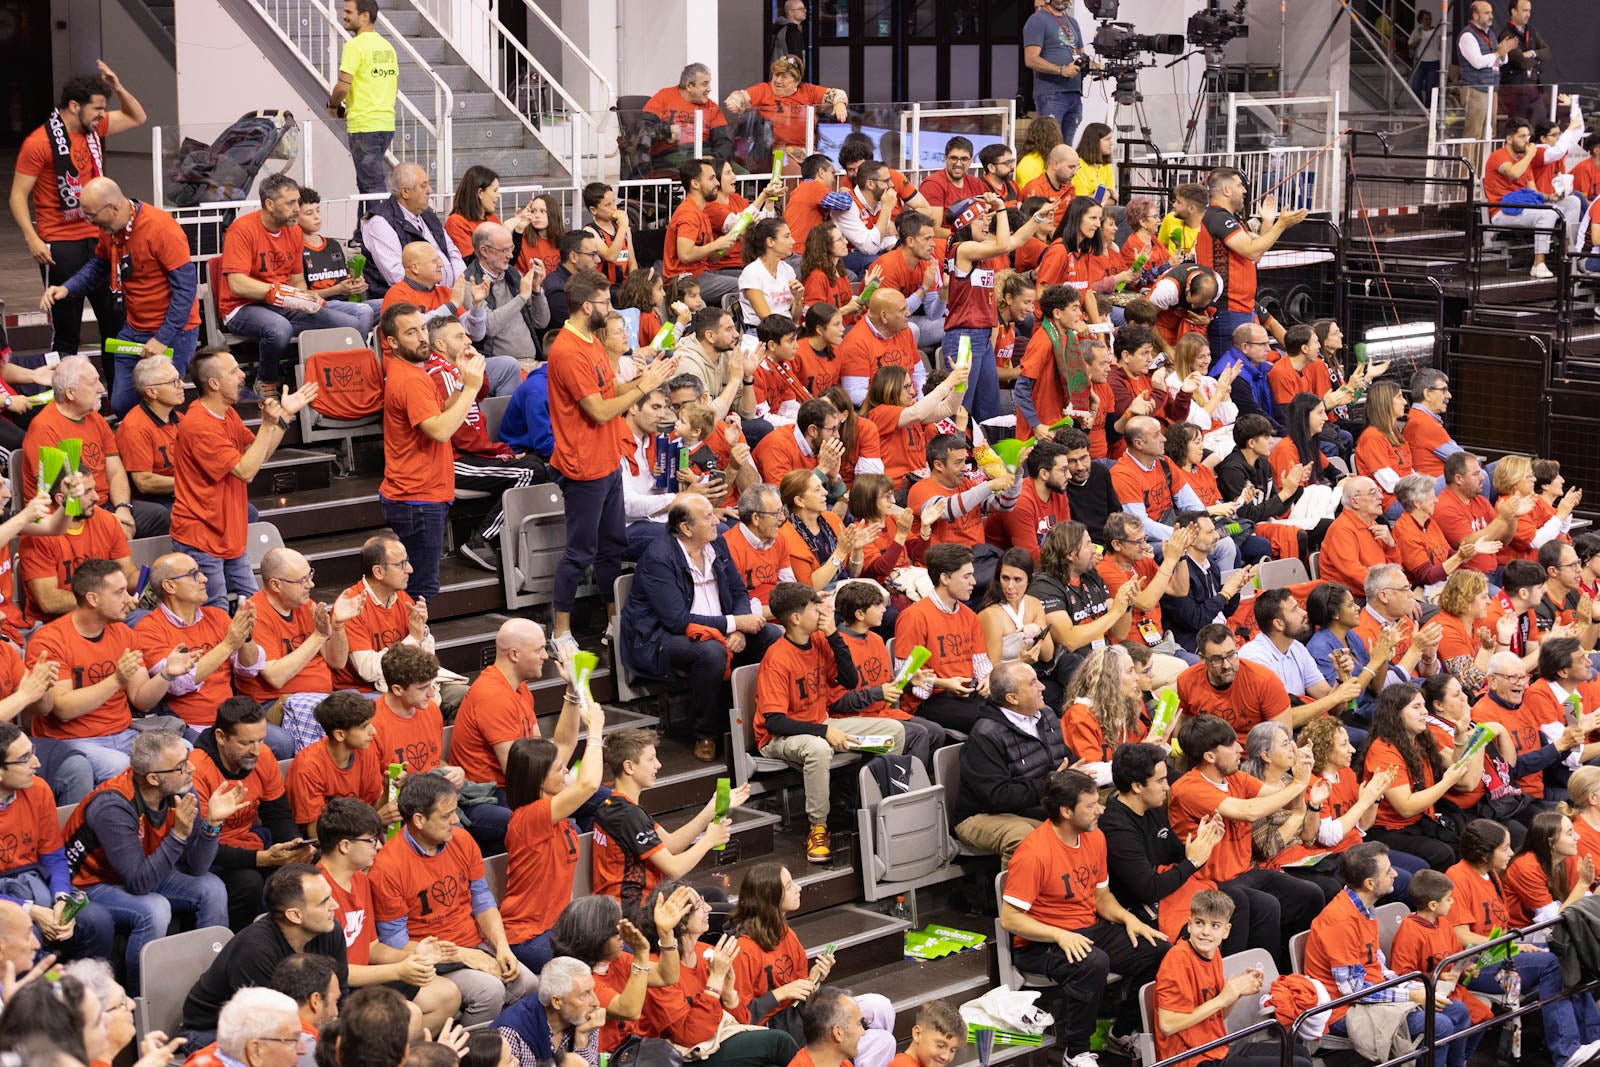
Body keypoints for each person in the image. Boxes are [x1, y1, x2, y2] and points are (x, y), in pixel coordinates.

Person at [999, 768, 1168, 1066]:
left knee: (1158, 950)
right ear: (1066, 811)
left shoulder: (1095, 837)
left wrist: (1127, 919)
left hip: (1087, 928)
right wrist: (1059, 935)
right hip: (1040, 943)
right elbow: (1011, 919)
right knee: (1093, 962)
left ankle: (1121, 1033)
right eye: (1090, 806)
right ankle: (1075, 1053)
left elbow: (1101, 897)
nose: (1100, 809)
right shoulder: (1033, 853)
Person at [548, 271, 680, 646]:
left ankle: (613, 621)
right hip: (583, 465)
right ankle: (561, 632)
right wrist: (644, 385)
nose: (611, 308)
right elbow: (601, 411)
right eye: (605, 303)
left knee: (612, 547)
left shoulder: (591, 340)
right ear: (587, 306)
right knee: (579, 552)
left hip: (605, 459)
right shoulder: (568, 350)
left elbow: (611, 390)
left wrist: (645, 380)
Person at [64, 729, 239, 990]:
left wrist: (213, 824)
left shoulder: (181, 791)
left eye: (187, 758)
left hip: (144, 868)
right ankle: (143, 1003)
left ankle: (210, 987)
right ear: (154, 778)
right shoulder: (113, 806)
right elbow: (139, 883)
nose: (191, 768)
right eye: (181, 766)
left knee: (211, 887)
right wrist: (179, 834)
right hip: (90, 884)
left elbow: (197, 867)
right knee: (154, 909)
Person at [620, 496, 778, 760]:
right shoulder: (659, 558)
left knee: (772, 636)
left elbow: (739, 590)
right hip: (661, 639)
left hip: (720, 628)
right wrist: (735, 623)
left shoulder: (716, 542)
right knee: (711, 652)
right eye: (707, 517)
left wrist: (739, 629)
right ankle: (706, 732)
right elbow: (677, 621)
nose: (717, 520)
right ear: (686, 528)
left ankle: (762, 721)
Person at [757, 582, 903, 864]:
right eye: (816, 608)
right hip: (779, 739)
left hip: (820, 723)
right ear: (796, 618)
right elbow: (774, 722)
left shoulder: (820, 641)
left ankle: (873, 807)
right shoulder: (776, 657)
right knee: (819, 749)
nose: (824, 612)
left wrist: (834, 635)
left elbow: (849, 680)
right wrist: (825, 731)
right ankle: (818, 828)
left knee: (893, 732)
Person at [371, 776, 535, 1027]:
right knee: (489, 991)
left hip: (475, 945)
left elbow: (481, 899)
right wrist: (461, 955)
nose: (456, 820)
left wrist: (502, 946)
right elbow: (395, 943)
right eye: (446, 816)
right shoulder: (388, 867)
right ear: (419, 820)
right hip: (431, 961)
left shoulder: (461, 839)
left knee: (530, 984)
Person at [1168, 713, 1324, 973]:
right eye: (1231, 744)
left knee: (1310, 895)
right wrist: (1297, 784)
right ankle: (1257, 980)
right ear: (1209, 756)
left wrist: (1301, 776)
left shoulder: (1235, 777)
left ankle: (1295, 971)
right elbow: (1249, 811)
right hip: (1212, 880)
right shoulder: (1189, 787)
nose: (1240, 748)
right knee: (1266, 905)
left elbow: (1286, 800)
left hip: (1245, 871)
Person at [11, 67, 145, 358]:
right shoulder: (39, 142)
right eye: (97, 108)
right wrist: (32, 239)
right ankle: (64, 400)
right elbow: (17, 196)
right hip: (60, 244)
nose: (101, 115)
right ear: (74, 106)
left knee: (115, 322)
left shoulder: (94, 127)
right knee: (67, 330)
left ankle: (118, 400)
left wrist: (119, 87)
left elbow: (137, 117)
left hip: (101, 238)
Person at [1302, 842, 1474, 1067]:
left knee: (1458, 1011)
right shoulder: (1340, 921)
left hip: (1371, 996)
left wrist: (1417, 988)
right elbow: (1352, 992)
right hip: (1343, 1010)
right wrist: (1412, 996)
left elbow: (1380, 969)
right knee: (1439, 1025)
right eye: (1387, 871)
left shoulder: (1366, 909)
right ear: (1370, 883)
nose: (1395, 874)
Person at [39, 177, 197, 416]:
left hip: (174, 332)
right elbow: (98, 266)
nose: (90, 223)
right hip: (135, 328)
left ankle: (160, 442)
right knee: (122, 403)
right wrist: (67, 289)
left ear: (113, 208)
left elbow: (186, 289)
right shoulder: (110, 229)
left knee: (162, 402)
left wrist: (163, 338)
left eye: (92, 215)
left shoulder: (162, 228)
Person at [1447, 819, 1600, 1067]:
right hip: (1471, 967)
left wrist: (1515, 946)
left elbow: (1500, 928)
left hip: (1500, 954)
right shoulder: (1457, 878)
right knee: (1552, 963)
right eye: (1505, 848)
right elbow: (1462, 938)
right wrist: (1513, 947)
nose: (1511, 853)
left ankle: (1592, 1038)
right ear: (1485, 854)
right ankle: (1566, 1051)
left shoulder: (1492, 876)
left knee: (1569, 952)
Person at [25, 558, 194, 781]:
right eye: (119, 593)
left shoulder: (124, 633)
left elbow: (141, 699)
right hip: (72, 739)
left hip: (124, 733)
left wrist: (166, 675)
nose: (129, 599)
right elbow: (63, 710)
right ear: (93, 599)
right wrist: (115, 680)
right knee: (120, 766)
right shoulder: (50, 640)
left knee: (184, 749)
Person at [172, 350, 317, 607]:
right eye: (233, 371)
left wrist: (284, 416)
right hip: (201, 536)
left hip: (229, 533)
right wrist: (269, 424)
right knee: (215, 611)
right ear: (214, 384)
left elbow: (257, 454)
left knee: (254, 607)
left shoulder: (226, 413)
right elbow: (246, 471)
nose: (242, 376)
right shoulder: (199, 425)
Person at [218, 174, 375, 397]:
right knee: (279, 329)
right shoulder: (242, 229)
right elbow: (237, 285)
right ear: (270, 204)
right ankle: (266, 381)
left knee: (351, 322)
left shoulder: (293, 231)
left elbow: (298, 281)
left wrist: (306, 299)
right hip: (242, 307)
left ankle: (307, 374)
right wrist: (278, 292)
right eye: (290, 203)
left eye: (297, 201)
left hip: (284, 303)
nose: (297, 208)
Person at [315, 799, 461, 1035]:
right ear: (344, 846)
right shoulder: (316, 892)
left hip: (367, 979)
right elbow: (334, 974)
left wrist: (415, 955)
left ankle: (394, 1053)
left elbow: (371, 948)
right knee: (409, 1014)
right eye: (371, 840)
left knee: (448, 995)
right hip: (337, 992)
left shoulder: (360, 879)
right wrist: (399, 970)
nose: (380, 847)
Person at [176, 863, 348, 1046]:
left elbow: (340, 995)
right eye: (324, 902)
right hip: (214, 1032)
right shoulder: (254, 951)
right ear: (295, 916)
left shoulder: (330, 930)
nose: (335, 905)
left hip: (287, 1027)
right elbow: (267, 1028)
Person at [501, 698, 606, 973]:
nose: (566, 771)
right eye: (559, 769)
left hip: (557, 929)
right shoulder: (530, 817)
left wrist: (572, 692)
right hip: (528, 936)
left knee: (626, 951)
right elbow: (589, 783)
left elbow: (565, 742)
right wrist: (595, 733)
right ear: (538, 779)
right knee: (593, 968)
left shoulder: (551, 806)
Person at [187, 694, 309, 930]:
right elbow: (197, 849)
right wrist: (261, 859)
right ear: (221, 737)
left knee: (304, 867)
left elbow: (278, 814)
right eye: (245, 743)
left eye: (261, 740)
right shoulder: (197, 770)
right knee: (249, 882)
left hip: (249, 844)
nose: (256, 750)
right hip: (209, 858)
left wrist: (295, 845)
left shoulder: (262, 756)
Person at [1154, 889, 1312, 1067]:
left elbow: (1220, 1015)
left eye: (1215, 925)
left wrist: (1236, 993)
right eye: (1199, 923)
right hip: (1189, 1059)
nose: (1205, 932)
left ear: (1226, 931)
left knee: (1299, 1052)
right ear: (1189, 925)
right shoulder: (1177, 961)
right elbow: (1167, 1026)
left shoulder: (1213, 954)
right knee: (1299, 1064)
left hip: (1214, 1047)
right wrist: (1222, 999)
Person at [0, 722, 114, 964]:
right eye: (25, 758)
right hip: (5, 899)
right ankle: (41, 995)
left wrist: (61, 898)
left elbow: (53, 855)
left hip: (35, 882)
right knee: (30, 936)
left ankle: (85, 991)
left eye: (33, 752)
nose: (37, 764)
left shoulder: (38, 789)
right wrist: (29, 909)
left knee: (97, 921)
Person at [593, 728, 745, 905]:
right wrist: (709, 841)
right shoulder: (628, 815)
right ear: (629, 766)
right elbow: (674, 869)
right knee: (722, 912)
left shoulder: (616, 805)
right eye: (651, 759)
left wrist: (711, 809)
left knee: (713, 895)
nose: (658, 765)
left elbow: (671, 845)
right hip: (634, 913)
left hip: (639, 904)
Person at [21, 355, 165, 540]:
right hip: (66, 515)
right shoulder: (43, 428)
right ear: (71, 393)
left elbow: (115, 471)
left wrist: (123, 509)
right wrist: (109, 522)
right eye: (93, 383)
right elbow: (62, 496)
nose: (101, 388)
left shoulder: (95, 418)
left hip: (105, 505)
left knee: (159, 516)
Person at [134, 553, 270, 742]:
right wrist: (228, 644)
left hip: (231, 719)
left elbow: (250, 670)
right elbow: (178, 683)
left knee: (281, 743)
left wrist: (245, 637)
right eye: (194, 574)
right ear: (169, 586)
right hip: (187, 725)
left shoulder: (217, 616)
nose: (204, 578)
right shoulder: (149, 629)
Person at [949, 661, 1073, 861]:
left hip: (1040, 801)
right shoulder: (986, 734)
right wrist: (1050, 785)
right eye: (1033, 683)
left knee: (1102, 814)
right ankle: (1019, 893)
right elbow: (998, 796)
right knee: (1025, 838)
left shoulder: (1047, 715)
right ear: (1012, 698)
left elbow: (1064, 760)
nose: (1042, 687)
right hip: (984, 815)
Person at [236, 549, 361, 749]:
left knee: (371, 708)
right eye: (302, 580)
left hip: (321, 697)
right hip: (276, 703)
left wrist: (338, 625)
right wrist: (318, 637)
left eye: (309, 575)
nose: (310, 584)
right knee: (338, 719)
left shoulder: (305, 605)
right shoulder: (256, 614)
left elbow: (336, 661)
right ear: (276, 584)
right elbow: (275, 678)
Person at [1359, 683, 1473, 870]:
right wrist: (1446, 782)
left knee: (1465, 841)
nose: (1424, 713)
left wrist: (1460, 737)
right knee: (1442, 854)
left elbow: (1456, 764)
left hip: (1421, 820)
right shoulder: (1384, 751)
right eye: (1416, 707)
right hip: (1389, 829)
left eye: (1423, 706)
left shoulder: (1422, 737)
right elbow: (1405, 807)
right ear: (1396, 714)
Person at [832, 580, 944, 769]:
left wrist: (907, 681)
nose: (884, 609)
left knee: (936, 732)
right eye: (877, 606)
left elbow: (882, 684)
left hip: (883, 713)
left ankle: (914, 785)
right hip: (851, 724)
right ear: (859, 614)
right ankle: (899, 791)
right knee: (917, 735)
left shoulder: (875, 639)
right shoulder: (837, 647)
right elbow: (838, 702)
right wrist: (879, 693)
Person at [1197, 168, 1308, 358]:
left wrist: (1267, 223)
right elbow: (1251, 250)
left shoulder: (1229, 218)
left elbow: (1255, 255)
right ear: (1226, 190)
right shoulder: (1218, 217)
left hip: (1241, 308)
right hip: (1227, 309)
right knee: (1231, 371)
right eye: (1240, 185)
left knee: (1248, 368)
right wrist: (1280, 225)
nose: (1244, 191)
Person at [892, 543, 991, 733]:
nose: (974, 582)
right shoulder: (914, 617)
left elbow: (981, 663)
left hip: (968, 694)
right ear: (945, 578)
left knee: (1017, 708)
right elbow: (903, 675)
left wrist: (988, 679)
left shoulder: (970, 616)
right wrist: (943, 683)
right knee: (990, 721)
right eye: (966, 576)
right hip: (928, 700)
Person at [725, 863, 833, 1026]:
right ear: (771, 898)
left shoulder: (785, 932)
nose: (799, 888)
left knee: (871, 1007)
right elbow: (741, 1015)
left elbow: (797, 991)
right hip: (767, 1027)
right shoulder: (742, 950)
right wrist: (780, 994)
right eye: (789, 886)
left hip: (793, 1014)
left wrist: (813, 979)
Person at [18, 473, 133, 622]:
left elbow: (128, 573)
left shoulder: (106, 519)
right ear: (62, 500)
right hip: (56, 623)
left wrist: (155, 579)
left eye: (94, 489)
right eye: (86, 492)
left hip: (107, 612)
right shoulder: (37, 533)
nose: (96, 497)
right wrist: (106, 600)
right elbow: (49, 601)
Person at [1484, 116, 1585, 277]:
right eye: (1522, 137)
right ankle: (1538, 263)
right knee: (1549, 213)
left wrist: (1550, 197)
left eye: (1528, 137)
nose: (1526, 141)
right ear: (1509, 139)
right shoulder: (1498, 156)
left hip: (1525, 205)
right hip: (1503, 210)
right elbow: (1513, 172)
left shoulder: (1524, 158)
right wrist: (1531, 155)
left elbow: (1534, 192)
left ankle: (1566, 254)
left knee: (1573, 201)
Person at [360, 163, 464, 302]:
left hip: (446, 294)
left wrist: (459, 283)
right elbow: (396, 276)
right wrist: (438, 292)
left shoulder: (427, 215)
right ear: (405, 192)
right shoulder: (380, 222)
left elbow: (452, 251)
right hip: (407, 302)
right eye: (423, 186)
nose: (430, 190)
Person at [327, 0, 398, 195]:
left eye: (349, 12)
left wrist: (333, 105)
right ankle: (364, 226)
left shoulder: (355, 47)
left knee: (372, 186)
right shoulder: (387, 48)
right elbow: (393, 84)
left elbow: (342, 87)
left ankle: (381, 225)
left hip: (364, 126)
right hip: (385, 124)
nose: (344, 16)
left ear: (365, 16)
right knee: (366, 185)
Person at [1158, 515, 1252, 654]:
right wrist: (1225, 594)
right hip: (1194, 644)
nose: (1216, 536)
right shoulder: (1176, 573)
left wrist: (1235, 590)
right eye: (1209, 532)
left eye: (1214, 530)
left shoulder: (1211, 565)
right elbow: (1195, 621)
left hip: (1218, 635)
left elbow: (1224, 612)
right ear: (1191, 539)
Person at [722, 56, 847, 161]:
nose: (777, 80)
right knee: (792, 172)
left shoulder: (808, 91)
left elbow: (838, 94)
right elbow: (742, 96)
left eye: (784, 77)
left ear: (797, 81)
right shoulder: (764, 90)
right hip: (775, 153)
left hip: (807, 153)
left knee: (829, 173)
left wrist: (839, 103)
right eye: (776, 75)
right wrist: (735, 102)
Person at [463, 223, 548, 366]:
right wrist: (521, 298)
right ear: (484, 251)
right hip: (506, 367)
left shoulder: (513, 274)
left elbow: (541, 322)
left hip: (534, 361)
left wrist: (536, 290)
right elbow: (488, 326)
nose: (510, 255)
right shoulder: (469, 282)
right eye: (504, 250)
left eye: (511, 249)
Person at [662, 159, 745, 305]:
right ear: (695, 184)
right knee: (747, 286)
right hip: (684, 280)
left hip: (702, 273)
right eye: (712, 179)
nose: (717, 183)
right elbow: (685, 255)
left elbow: (712, 258)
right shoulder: (688, 213)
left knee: (754, 277)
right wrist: (716, 245)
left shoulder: (701, 212)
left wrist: (728, 242)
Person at [114, 356, 183, 514]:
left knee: (245, 510)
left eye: (179, 379)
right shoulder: (135, 427)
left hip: (181, 491)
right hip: (155, 500)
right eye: (173, 382)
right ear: (152, 391)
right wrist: (190, 483)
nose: (181, 385)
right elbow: (144, 482)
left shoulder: (182, 420)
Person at [1023, 0, 1088, 142]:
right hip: (1051, 93)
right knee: (1050, 145)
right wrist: (1061, 70)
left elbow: (1081, 55)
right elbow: (1031, 59)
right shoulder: (1037, 20)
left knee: (1066, 148)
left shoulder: (1072, 22)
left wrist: (1099, 68)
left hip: (1074, 93)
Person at [539, 232, 599, 334]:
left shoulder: (583, 281)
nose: (598, 260)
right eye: (592, 255)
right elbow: (578, 330)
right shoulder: (558, 292)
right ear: (573, 257)